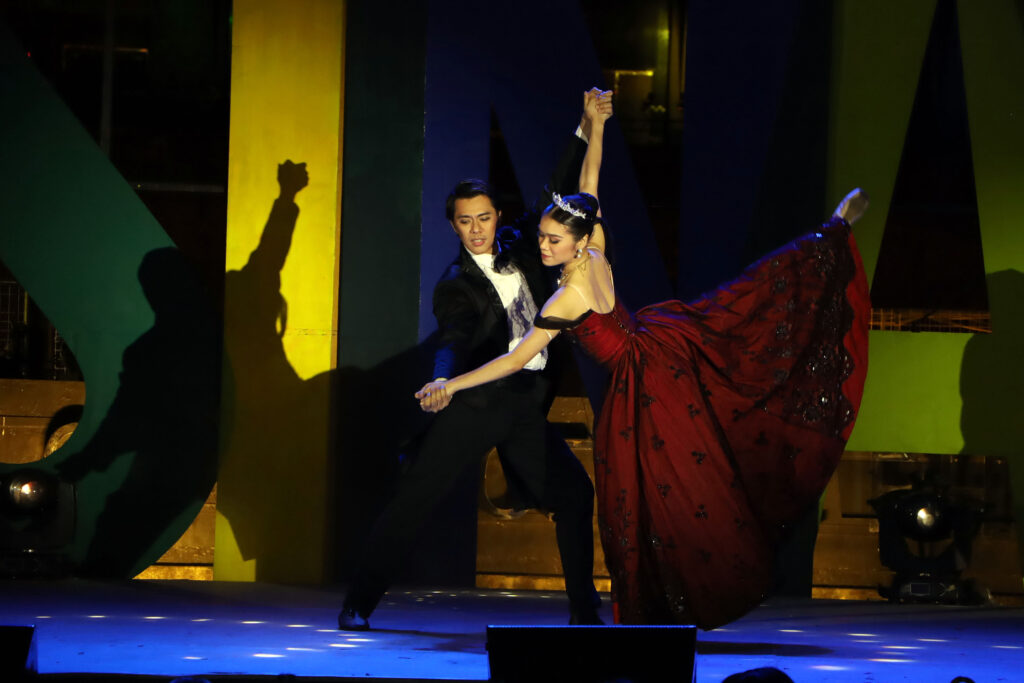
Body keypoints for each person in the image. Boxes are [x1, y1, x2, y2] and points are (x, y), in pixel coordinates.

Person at [416, 90, 871, 629]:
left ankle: (669, 601)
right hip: (660, 348)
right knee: (736, 322)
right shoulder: (594, 248)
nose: (542, 246)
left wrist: (452, 385)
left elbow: (515, 360)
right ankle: (830, 232)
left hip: (646, 385)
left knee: (651, 496)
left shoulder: (565, 299)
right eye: (541, 237)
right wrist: (597, 127)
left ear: (574, 242)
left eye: (553, 240)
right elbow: (589, 188)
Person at [338, 96, 607, 630]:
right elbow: (454, 338)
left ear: (497, 217)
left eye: (484, 218)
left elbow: (561, 190)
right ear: (454, 226)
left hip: (526, 405)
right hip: (478, 400)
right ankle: (358, 602)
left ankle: (584, 611)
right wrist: (444, 378)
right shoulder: (454, 285)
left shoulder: (528, 245)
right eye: (466, 222)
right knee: (415, 498)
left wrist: (585, 126)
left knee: (575, 494)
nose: (477, 229)